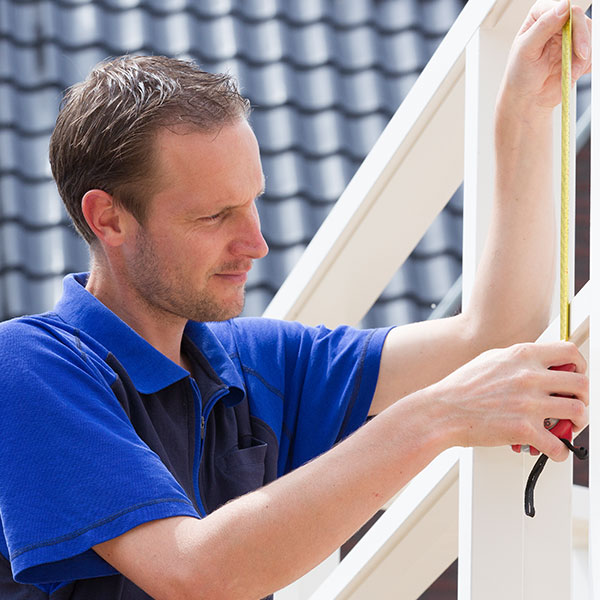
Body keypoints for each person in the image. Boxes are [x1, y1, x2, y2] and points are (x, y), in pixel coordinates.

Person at [0, 1, 591, 598]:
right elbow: (193, 575)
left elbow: (492, 335)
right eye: (214, 216)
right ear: (109, 219)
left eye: (253, 201)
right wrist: (438, 416)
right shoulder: (27, 364)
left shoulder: (254, 362)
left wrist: (524, 113)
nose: (256, 243)